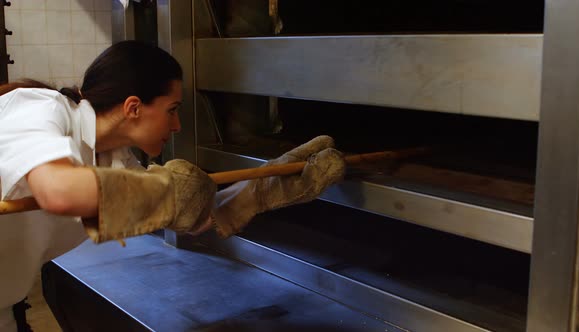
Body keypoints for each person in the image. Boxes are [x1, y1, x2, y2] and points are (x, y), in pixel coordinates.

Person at [0, 40, 346, 332]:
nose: (178, 124)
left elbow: (191, 216)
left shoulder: (116, 161)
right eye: (173, 109)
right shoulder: (39, 108)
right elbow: (59, 192)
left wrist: (263, 189)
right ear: (133, 107)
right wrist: (165, 191)